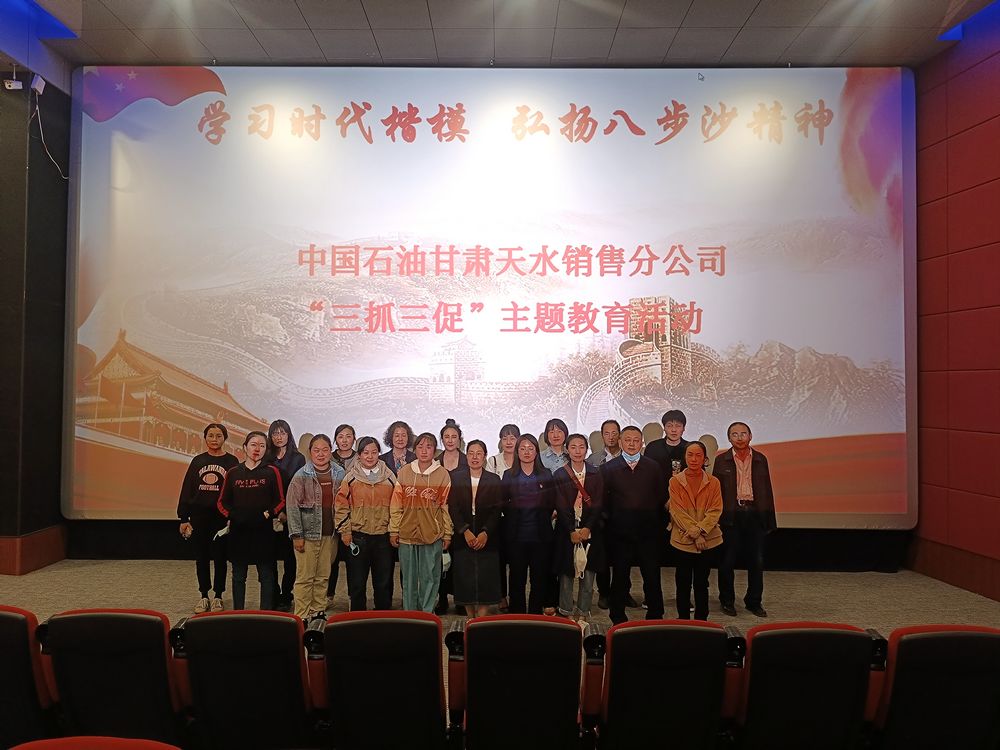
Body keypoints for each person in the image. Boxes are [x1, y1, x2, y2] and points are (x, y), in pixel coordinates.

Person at [602, 425, 667, 624]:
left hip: (648, 533)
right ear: (620, 442)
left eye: (636, 440)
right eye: (627, 440)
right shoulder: (608, 469)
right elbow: (603, 501)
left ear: (642, 443)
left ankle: (655, 615)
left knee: (652, 576)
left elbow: (661, 497)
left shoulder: (653, 467)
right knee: (620, 576)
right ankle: (617, 616)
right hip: (620, 534)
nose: (631, 444)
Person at [714, 422, 777, 617]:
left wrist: (769, 519)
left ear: (750, 436)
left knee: (756, 561)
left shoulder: (760, 459)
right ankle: (727, 601)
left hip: (755, 514)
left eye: (743, 433)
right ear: (729, 438)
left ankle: (754, 602)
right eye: (735, 434)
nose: (739, 437)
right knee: (727, 560)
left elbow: (767, 490)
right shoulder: (721, 460)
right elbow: (715, 492)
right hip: (731, 514)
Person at [217, 431, 285, 610]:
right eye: (253, 444)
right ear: (245, 447)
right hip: (238, 532)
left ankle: (266, 614)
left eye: (262, 446)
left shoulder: (272, 472)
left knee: (266, 576)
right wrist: (233, 516)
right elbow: (221, 502)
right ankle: (238, 613)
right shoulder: (233, 473)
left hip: (264, 532)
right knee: (238, 576)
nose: (257, 449)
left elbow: (280, 500)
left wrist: (268, 514)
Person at [177, 423, 240, 613]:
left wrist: (233, 515)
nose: (214, 439)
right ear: (205, 438)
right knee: (201, 557)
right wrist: (183, 517)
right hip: (199, 517)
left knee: (220, 558)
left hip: (221, 518)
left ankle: (218, 596)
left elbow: (236, 491)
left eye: (219, 436)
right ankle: (204, 595)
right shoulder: (198, 461)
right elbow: (187, 489)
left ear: (225, 438)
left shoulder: (232, 461)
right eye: (210, 435)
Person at [390, 432, 453, 613]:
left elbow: (445, 506)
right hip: (406, 533)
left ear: (435, 450)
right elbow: (396, 504)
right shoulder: (404, 472)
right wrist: (393, 530)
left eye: (429, 447)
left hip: (432, 533)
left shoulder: (442, 475)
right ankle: (410, 613)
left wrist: (447, 533)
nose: (424, 451)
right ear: (415, 449)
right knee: (408, 577)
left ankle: (427, 612)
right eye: (420, 447)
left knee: (430, 576)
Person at [335, 436, 397, 611]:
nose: (370, 456)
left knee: (384, 582)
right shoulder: (350, 478)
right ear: (359, 455)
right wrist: (345, 531)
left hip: (383, 538)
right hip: (358, 537)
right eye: (365, 453)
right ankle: (357, 617)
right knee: (357, 582)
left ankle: (383, 615)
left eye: (374, 452)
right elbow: (341, 506)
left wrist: (394, 531)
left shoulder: (390, 477)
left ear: (379, 454)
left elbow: (397, 506)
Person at [286, 434, 343, 620]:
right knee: (304, 578)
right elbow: (292, 507)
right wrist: (297, 535)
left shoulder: (339, 473)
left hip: (330, 535)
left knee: (323, 577)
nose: (321, 454)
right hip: (307, 535)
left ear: (330, 451)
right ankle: (302, 616)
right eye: (316, 450)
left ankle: (318, 613)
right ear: (310, 452)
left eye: (325, 450)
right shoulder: (301, 475)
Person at [502, 434, 557, 615]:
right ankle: (516, 615)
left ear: (536, 451)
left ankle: (535, 615)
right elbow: (502, 502)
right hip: (516, 537)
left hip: (540, 536)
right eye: (522, 448)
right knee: (516, 579)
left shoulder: (546, 474)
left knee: (539, 579)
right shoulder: (509, 475)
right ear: (517, 452)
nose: (526, 452)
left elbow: (551, 502)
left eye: (530, 448)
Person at [668, 441, 723, 620]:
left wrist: (700, 530)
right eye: (690, 455)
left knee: (702, 583)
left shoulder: (714, 482)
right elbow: (676, 511)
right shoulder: (675, 481)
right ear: (685, 458)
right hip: (683, 540)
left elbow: (715, 510)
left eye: (698, 455)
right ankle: (683, 620)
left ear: (705, 459)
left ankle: (702, 621)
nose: (694, 459)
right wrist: (695, 533)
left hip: (708, 540)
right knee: (682, 583)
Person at [553, 433, 605, 623]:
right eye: (573, 447)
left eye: (581, 447)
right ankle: (566, 610)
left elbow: (598, 503)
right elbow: (560, 504)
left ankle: (583, 611)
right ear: (567, 450)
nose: (577, 451)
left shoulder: (595, 473)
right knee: (566, 573)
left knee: (588, 573)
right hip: (566, 529)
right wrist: (570, 530)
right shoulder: (560, 474)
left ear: (587, 449)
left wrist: (588, 528)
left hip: (591, 529)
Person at [448, 439, 502, 617]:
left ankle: (482, 617)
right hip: (463, 532)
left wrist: (486, 532)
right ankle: (470, 617)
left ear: (485, 456)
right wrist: (465, 530)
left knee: (486, 576)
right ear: (466, 456)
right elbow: (453, 507)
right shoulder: (456, 477)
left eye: (479, 453)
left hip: (487, 533)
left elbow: (497, 509)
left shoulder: (493, 479)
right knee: (465, 576)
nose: (475, 457)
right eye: (471, 453)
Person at [587, 419, 636, 610]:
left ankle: (623, 592)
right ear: (602, 436)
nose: (611, 437)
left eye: (615, 433)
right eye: (607, 433)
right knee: (603, 556)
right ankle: (604, 593)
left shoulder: (630, 457)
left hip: (624, 515)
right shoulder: (593, 459)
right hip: (601, 515)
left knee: (624, 557)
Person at [265, 419, 306, 611]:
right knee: (269, 556)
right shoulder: (266, 458)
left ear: (289, 435)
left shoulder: (298, 458)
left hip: (291, 514)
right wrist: (274, 510)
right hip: (269, 513)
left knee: (291, 558)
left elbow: (299, 487)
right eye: (275, 433)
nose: (279, 437)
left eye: (282, 433)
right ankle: (273, 592)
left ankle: (286, 594)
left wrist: (286, 511)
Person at [485, 423, 520, 612]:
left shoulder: (524, 460)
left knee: (515, 559)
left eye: (512, 438)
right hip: (498, 517)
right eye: (505, 438)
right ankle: (501, 596)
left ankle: (516, 595)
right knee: (499, 559)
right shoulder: (493, 461)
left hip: (517, 517)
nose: (508, 442)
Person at [436, 418, 468, 614]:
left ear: (459, 439)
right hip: (439, 517)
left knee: (461, 561)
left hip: (462, 517)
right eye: (446, 437)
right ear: (442, 439)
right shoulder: (435, 462)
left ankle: (461, 599)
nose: (450, 440)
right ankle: (441, 599)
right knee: (440, 559)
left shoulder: (467, 460)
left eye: (453, 436)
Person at [327, 424, 356, 605]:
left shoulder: (360, 458)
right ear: (335, 439)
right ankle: (328, 595)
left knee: (353, 560)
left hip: (353, 514)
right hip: (330, 514)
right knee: (331, 558)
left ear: (354, 439)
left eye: (348, 436)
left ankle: (354, 596)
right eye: (340, 436)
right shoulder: (328, 458)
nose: (344, 440)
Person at [644, 409, 691, 480]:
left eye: (678, 426)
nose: (674, 430)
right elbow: (645, 473)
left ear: (683, 428)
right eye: (669, 426)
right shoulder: (652, 448)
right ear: (664, 428)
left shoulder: (690, 448)